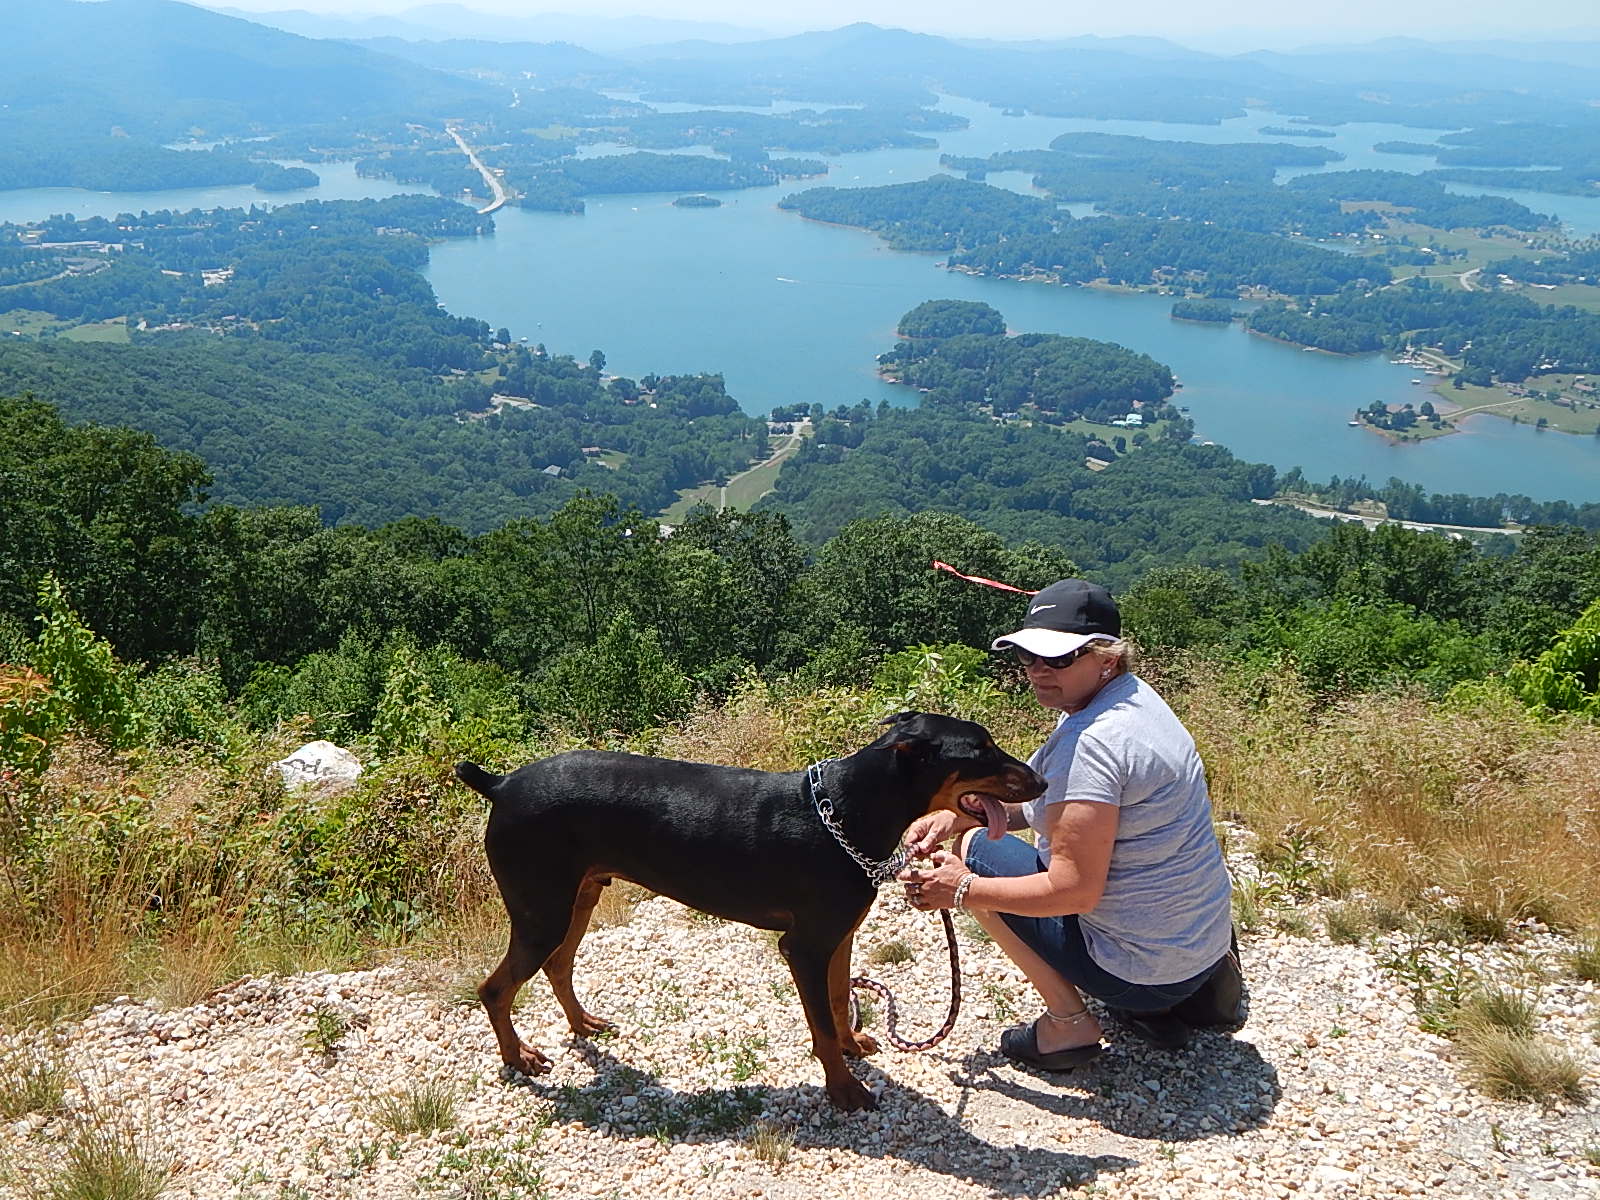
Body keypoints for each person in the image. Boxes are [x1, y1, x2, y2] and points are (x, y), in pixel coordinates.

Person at [896, 578, 1243, 1069]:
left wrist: (960, 889)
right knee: (971, 837)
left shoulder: (1092, 744)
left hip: (1143, 972)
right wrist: (957, 815)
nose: (1038, 671)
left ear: (1107, 658)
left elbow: (1073, 891)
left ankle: (1069, 1024)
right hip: (1198, 950)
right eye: (1027, 656)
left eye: (1058, 658)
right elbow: (1046, 806)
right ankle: (1172, 998)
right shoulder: (1133, 700)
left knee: (974, 852)